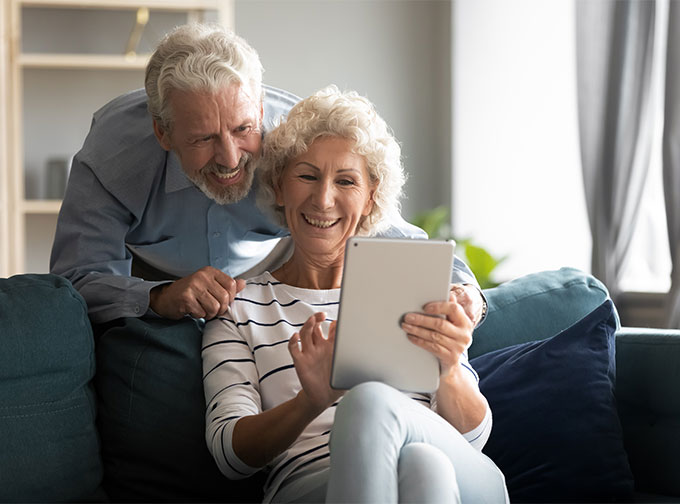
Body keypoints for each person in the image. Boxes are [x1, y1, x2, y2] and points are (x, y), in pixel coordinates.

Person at [49, 22, 483, 326]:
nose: (230, 158)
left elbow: (377, 225)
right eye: (203, 139)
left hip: (269, 277)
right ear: (163, 132)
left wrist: (462, 289)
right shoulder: (112, 157)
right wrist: (158, 298)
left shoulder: (296, 139)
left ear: (258, 111)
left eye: (242, 129)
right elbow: (74, 282)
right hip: (151, 279)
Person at [202, 86, 508, 503]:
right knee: (423, 468)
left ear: (369, 197)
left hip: (462, 473)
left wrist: (449, 370)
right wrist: (310, 402)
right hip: (312, 487)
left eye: (345, 180)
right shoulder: (239, 309)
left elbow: (473, 438)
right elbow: (229, 456)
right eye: (307, 175)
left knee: (388, 422)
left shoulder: (412, 286)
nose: (323, 199)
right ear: (278, 186)